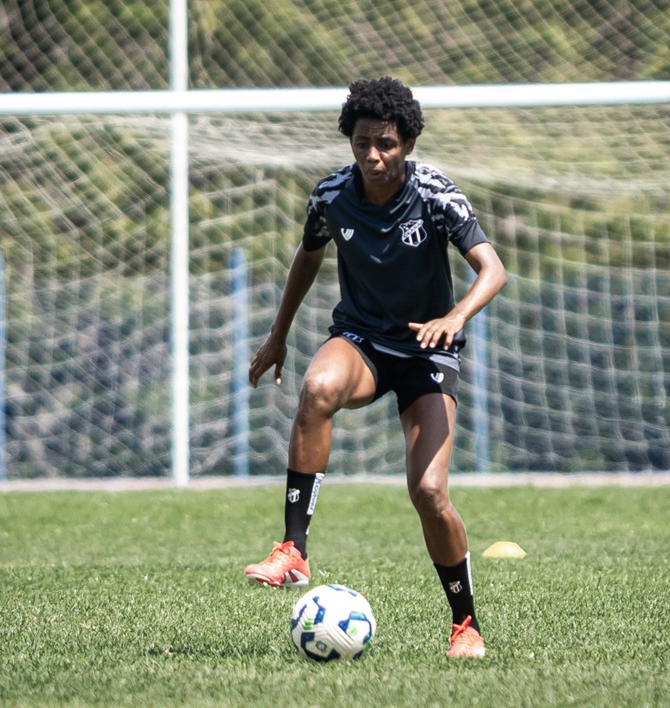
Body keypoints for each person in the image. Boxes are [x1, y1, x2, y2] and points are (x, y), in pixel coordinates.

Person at [243, 76, 507, 659]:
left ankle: (465, 626)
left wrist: (456, 316)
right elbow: (306, 259)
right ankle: (293, 550)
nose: (372, 156)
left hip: (426, 351)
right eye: (362, 143)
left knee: (430, 491)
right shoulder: (331, 195)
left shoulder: (437, 193)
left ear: (406, 143)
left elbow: (492, 269)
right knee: (318, 388)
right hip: (362, 340)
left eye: (385, 143)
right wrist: (278, 335)